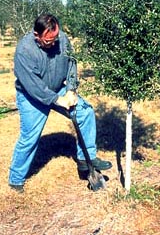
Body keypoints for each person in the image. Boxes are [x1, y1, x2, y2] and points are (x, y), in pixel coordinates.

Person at [9, 13, 112, 192]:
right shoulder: (24, 50)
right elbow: (34, 86)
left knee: (86, 112)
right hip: (31, 96)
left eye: (55, 38)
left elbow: (72, 63)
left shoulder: (62, 39)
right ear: (36, 35)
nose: (54, 43)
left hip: (58, 89)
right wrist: (58, 100)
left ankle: (85, 160)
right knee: (29, 138)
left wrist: (71, 89)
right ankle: (16, 179)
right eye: (48, 41)